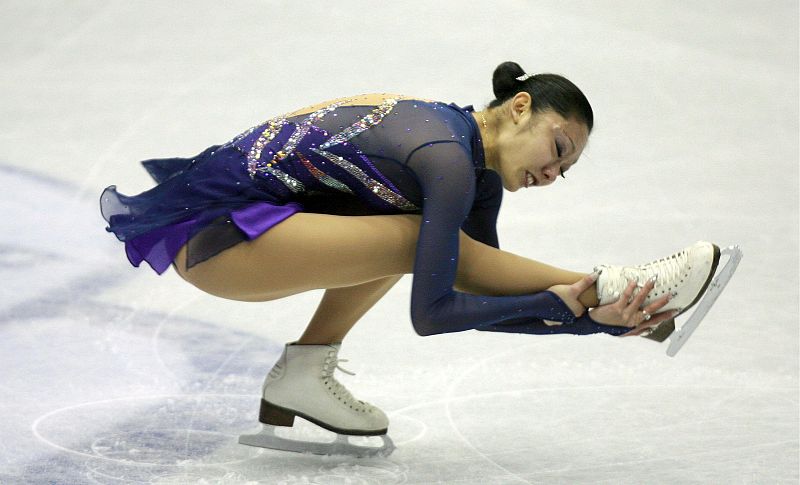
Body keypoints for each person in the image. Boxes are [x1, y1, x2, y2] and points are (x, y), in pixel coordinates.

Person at [100, 61, 720, 453]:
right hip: (216, 239)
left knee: (427, 242)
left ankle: (303, 372)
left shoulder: (470, 169)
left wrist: (591, 325)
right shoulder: (446, 158)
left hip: (254, 230)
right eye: (557, 148)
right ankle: (614, 282)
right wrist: (578, 306)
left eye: (566, 169)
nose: (553, 172)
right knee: (411, 238)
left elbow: (480, 293)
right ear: (520, 107)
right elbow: (434, 311)